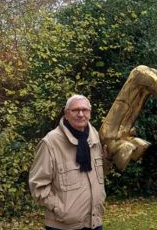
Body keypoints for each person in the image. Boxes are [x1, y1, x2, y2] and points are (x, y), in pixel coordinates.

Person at [29, 94, 108, 230]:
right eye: (75, 110)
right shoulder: (50, 143)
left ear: (90, 113)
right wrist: (61, 210)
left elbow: (100, 173)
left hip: (94, 222)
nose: (81, 114)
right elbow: (38, 185)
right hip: (62, 225)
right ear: (66, 113)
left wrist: (108, 160)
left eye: (85, 110)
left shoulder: (94, 136)